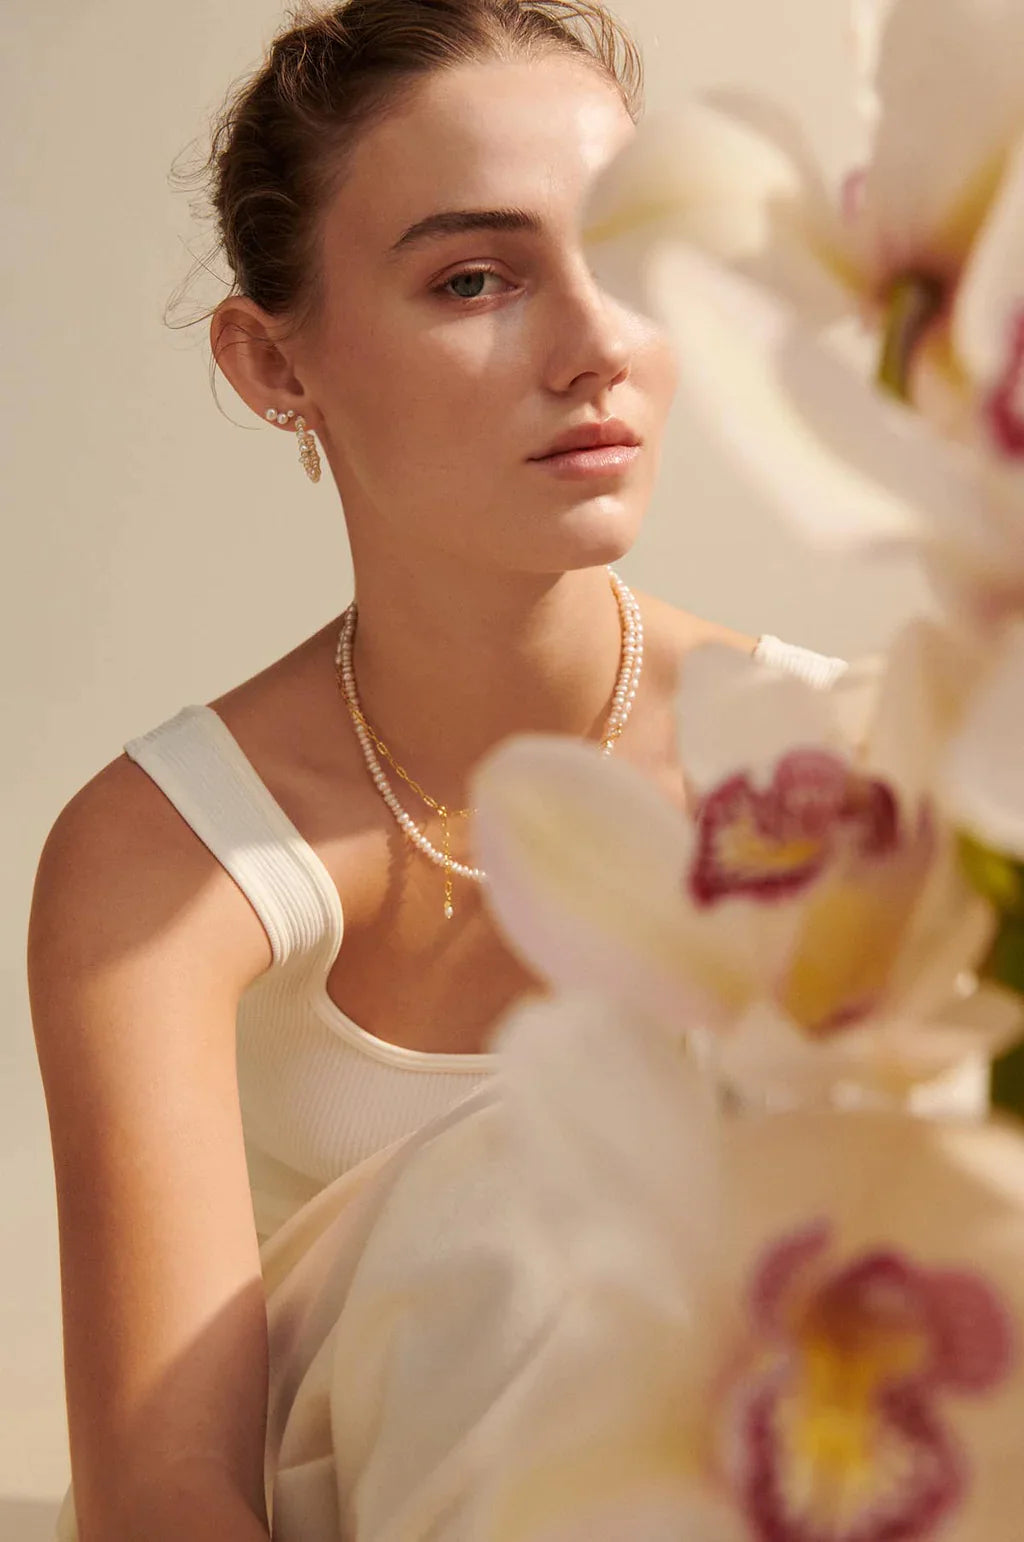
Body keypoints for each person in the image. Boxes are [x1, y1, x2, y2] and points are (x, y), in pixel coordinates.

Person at [27, 3, 846, 1539]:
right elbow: (164, 1489)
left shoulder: (839, 769)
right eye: (475, 279)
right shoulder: (165, 859)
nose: (596, 344)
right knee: (535, 1189)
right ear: (274, 361)